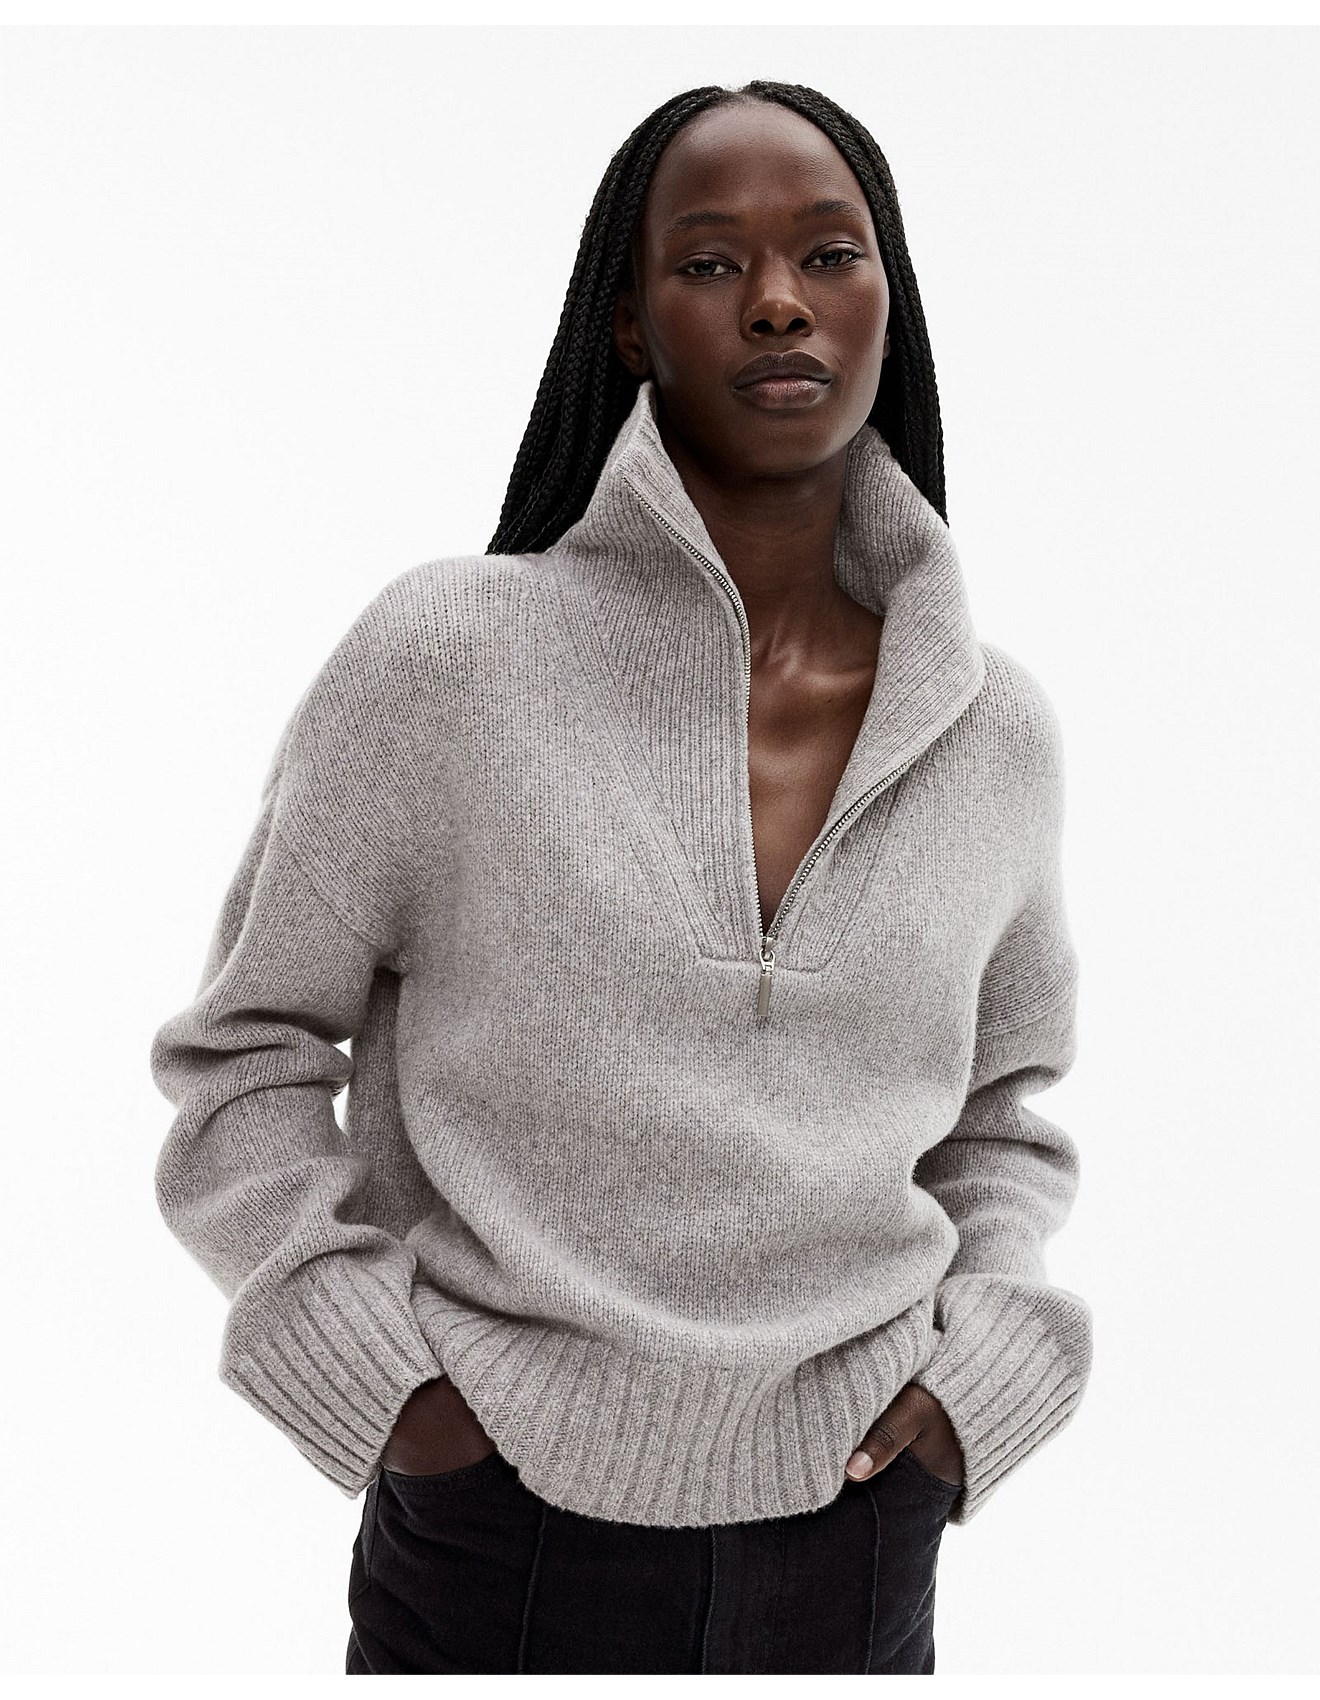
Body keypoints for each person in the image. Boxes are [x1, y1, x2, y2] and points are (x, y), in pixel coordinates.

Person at [149, 79, 1092, 1675]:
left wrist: (979, 1380)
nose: (781, 299)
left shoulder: (992, 730)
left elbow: (998, 1115)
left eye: (832, 253)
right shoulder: (449, 661)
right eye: (712, 262)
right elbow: (244, 1055)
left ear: (890, 302)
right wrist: (392, 1391)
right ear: (631, 325)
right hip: (497, 1535)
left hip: (863, 1531)